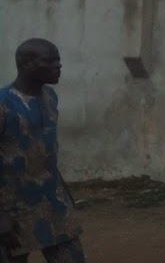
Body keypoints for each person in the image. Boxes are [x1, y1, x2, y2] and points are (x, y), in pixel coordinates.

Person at [0, 38, 85, 263]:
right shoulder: (3, 104)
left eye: (58, 59)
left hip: (52, 201)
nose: (58, 65)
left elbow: (45, 149)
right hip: (12, 208)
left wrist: (62, 190)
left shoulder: (49, 97)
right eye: (49, 60)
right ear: (26, 64)